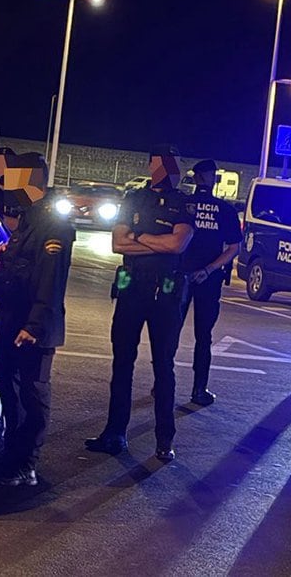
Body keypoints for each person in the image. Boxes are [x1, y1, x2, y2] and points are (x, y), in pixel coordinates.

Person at [85, 144, 194, 461]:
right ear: (152, 166)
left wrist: (139, 239)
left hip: (165, 293)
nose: (168, 170)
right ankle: (114, 433)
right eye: (163, 164)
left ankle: (164, 440)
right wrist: (155, 243)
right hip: (132, 288)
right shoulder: (133, 198)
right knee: (122, 364)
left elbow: (177, 244)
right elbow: (118, 243)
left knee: (164, 366)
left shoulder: (182, 202)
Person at [0, 149, 75, 487]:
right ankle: (11, 457)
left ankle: (26, 464)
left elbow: (50, 281)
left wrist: (34, 326)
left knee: (33, 396)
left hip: (32, 326)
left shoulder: (53, 224)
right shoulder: (27, 220)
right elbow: (19, 265)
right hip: (11, 320)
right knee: (8, 390)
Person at [179, 159, 242, 405]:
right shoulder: (225, 210)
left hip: (180, 276)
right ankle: (198, 390)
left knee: (169, 332)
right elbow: (234, 248)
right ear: (213, 179)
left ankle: (160, 384)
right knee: (203, 336)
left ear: (195, 178)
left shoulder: (183, 205)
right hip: (209, 279)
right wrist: (209, 269)